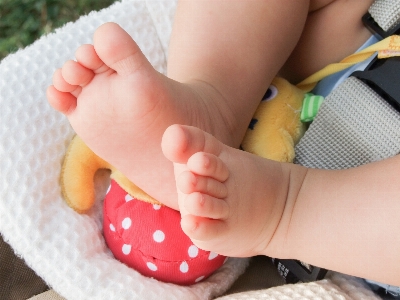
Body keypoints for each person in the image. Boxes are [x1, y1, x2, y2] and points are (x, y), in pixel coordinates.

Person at [47, 0, 399, 288]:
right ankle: (211, 103)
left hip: (361, 224)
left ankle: (284, 209)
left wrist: (285, 207)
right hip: (363, 42)